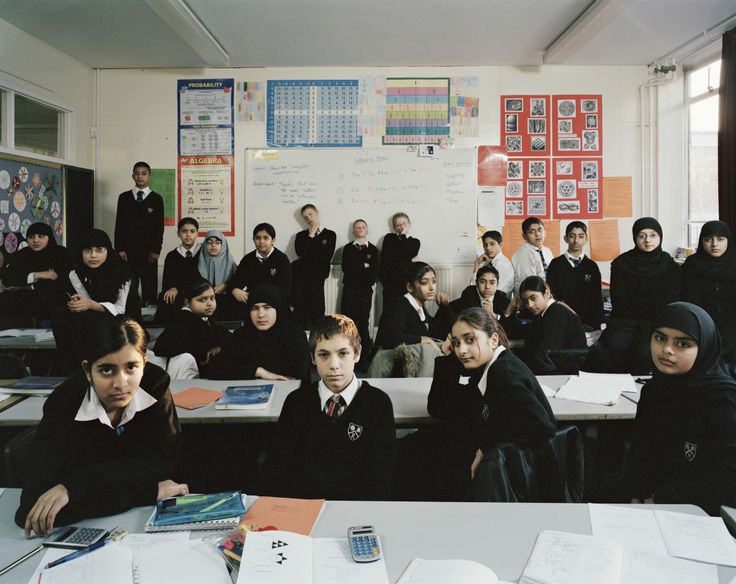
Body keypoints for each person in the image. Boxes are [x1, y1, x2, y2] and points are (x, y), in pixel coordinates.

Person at [15, 316, 186, 536]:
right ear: (88, 370)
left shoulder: (155, 383)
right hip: (91, 534)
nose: (121, 383)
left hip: (139, 526)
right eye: (107, 370)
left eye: (131, 367)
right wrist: (145, 492)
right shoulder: (64, 403)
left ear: (144, 362)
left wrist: (72, 488)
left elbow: (164, 462)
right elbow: (31, 509)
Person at [261, 314, 396, 500]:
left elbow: (379, 479)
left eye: (343, 353)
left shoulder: (378, 404)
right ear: (313, 358)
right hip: (303, 508)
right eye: (323, 355)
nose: (334, 365)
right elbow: (278, 469)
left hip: (356, 510)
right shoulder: (296, 402)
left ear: (357, 354)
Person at [426, 308, 556, 498]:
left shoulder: (505, 373)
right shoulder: (488, 367)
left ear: (493, 340)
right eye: (456, 342)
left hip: (524, 478)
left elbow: (542, 427)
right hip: (509, 468)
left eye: (470, 339)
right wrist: (447, 358)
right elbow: (441, 408)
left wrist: (484, 448)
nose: (461, 350)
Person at [626, 302, 736, 516]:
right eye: (660, 338)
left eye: (683, 344)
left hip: (703, 515)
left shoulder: (723, 403)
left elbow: (729, 484)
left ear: (704, 348)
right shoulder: (653, 391)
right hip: (649, 509)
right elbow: (639, 455)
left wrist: (662, 500)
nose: (667, 349)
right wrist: (635, 495)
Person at [589, 217, 680, 374]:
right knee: (613, 346)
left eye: (653, 235)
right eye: (642, 235)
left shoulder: (670, 266)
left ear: (660, 237)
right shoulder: (621, 264)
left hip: (655, 321)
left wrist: (642, 307)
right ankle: (614, 387)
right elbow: (620, 301)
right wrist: (646, 306)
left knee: (644, 352)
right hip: (625, 320)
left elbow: (668, 302)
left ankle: (640, 392)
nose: (647, 240)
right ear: (635, 238)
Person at [208, 283, 310, 383]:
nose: (261, 314)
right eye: (255, 308)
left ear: (277, 309)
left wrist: (244, 365)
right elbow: (216, 369)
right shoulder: (242, 334)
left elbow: (300, 370)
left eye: (267, 307)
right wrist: (258, 371)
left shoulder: (295, 334)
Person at [682, 221, 736, 363]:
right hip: (702, 325)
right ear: (701, 241)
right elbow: (691, 302)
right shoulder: (691, 265)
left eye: (720, 239)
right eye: (708, 239)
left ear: (728, 241)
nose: (714, 244)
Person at [153, 279, 231, 378]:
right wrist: (202, 353)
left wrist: (220, 347)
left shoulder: (206, 319)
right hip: (181, 374)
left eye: (212, 298)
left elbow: (227, 336)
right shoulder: (183, 319)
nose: (209, 303)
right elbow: (162, 346)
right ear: (187, 302)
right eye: (202, 300)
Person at [114, 162, 164, 305]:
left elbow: (159, 227)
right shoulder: (124, 198)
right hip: (128, 253)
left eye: (144, 173)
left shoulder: (156, 199)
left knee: (149, 287)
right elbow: (119, 225)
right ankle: (132, 319)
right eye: (137, 173)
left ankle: (150, 320)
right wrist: (119, 249)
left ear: (150, 176)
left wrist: (156, 250)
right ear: (132, 176)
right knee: (130, 288)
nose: (140, 176)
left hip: (149, 253)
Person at [0, 222, 72, 321]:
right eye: (31, 237)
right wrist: (37, 275)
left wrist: (24, 285)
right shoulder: (23, 254)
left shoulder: (61, 254)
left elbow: (63, 283)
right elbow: (8, 279)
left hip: (53, 300)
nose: (36, 240)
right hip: (24, 300)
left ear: (49, 237)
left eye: (41, 236)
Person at [518, 276, 587, 375]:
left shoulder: (556, 312)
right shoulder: (549, 311)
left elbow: (544, 356)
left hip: (567, 375)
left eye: (533, 298)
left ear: (546, 294)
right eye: (525, 301)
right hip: (561, 371)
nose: (530, 305)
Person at [374, 261, 449, 351]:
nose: (431, 287)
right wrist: (423, 339)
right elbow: (390, 338)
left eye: (433, 281)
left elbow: (436, 332)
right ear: (410, 287)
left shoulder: (419, 308)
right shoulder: (399, 306)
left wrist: (444, 307)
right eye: (424, 282)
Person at [546, 221, 603, 330]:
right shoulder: (556, 264)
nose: (576, 240)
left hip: (587, 324)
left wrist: (595, 324)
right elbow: (552, 297)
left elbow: (597, 299)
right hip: (561, 321)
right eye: (572, 236)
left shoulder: (591, 266)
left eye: (581, 236)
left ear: (586, 239)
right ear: (565, 238)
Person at [340, 219, 380, 367]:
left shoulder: (373, 250)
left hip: (365, 291)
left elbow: (373, 271)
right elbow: (346, 269)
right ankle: (346, 356)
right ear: (353, 231)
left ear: (367, 230)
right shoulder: (348, 249)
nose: (360, 229)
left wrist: (358, 266)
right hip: (350, 289)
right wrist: (364, 266)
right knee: (347, 322)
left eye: (363, 226)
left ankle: (363, 359)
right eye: (357, 227)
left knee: (363, 322)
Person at [292, 204, 336, 329]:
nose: (309, 219)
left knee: (317, 312)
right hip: (301, 280)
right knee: (301, 312)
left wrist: (309, 252)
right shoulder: (301, 236)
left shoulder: (330, 234)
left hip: (317, 279)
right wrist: (310, 235)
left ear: (317, 212)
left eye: (310, 214)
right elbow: (301, 253)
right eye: (305, 217)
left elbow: (326, 256)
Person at [230, 223, 292, 310]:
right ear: (253, 240)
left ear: (273, 240)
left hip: (275, 304)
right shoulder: (248, 259)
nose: (261, 241)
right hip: (253, 303)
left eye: (266, 238)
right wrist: (235, 290)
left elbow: (285, 288)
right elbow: (237, 280)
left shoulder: (282, 259)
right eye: (258, 238)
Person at [154, 217, 202, 324]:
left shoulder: (203, 252)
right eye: (184, 231)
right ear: (178, 234)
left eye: (192, 231)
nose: (188, 235)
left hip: (199, 291)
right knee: (166, 297)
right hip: (178, 293)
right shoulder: (172, 256)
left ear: (197, 234)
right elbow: (167, 282)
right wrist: (172, 288)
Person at [379, 212, 421, 306]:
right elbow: (390, 258)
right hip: (390, 283)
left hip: (407, 284)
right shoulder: (389, 238)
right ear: (394, 228)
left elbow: (409, 253)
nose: (402, 227)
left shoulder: (415, 242)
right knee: (390, 311)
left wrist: (403, 235)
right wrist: (408, 260)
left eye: (404, 224)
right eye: (398, 225)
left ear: (409, 224)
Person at [197, 229, 238, 321]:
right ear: (205, 244)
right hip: (203, 302)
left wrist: (226, 285)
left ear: (223, 245)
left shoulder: (231, 263)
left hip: (226, 302)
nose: (213, 245)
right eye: (209, 242)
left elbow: (238, 281)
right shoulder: (197, 262)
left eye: (217, 242)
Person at [511, 217, 553, 295]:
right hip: (531, 298)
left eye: (540, 230)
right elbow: (530, 285)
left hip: (546, 295)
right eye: (531, 232)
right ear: (524, 236)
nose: (537, 234)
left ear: (545, 232)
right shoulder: (523, 254)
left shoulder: (547, 251)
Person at [471, 230, 514, 297]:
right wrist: (478, 263)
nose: (488, 248)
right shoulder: (489, 262)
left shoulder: (502, 264)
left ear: (501, 245)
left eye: (492, 244)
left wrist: (476, 267)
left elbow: (474, 288)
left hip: (498, 303)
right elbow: (474, 287)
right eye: (485, 245)